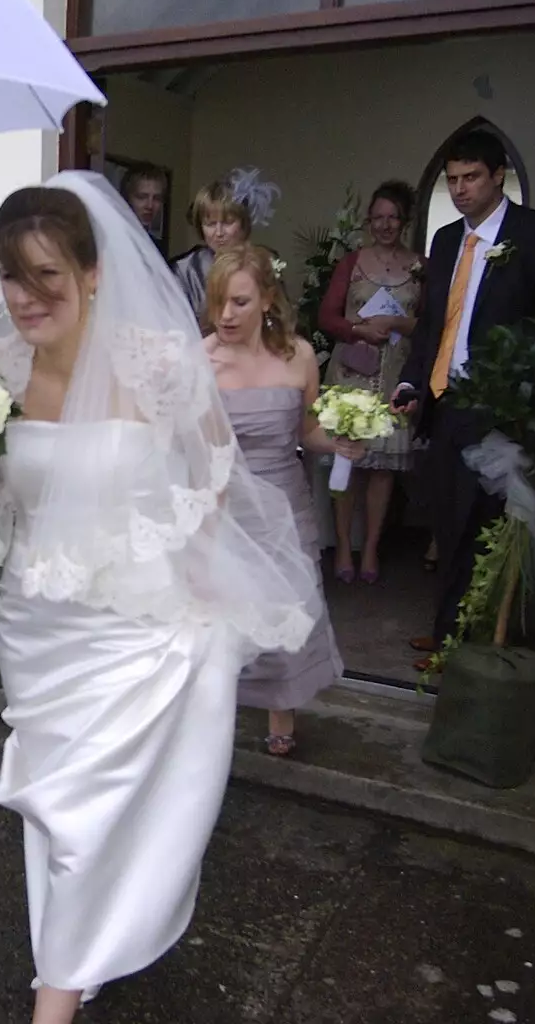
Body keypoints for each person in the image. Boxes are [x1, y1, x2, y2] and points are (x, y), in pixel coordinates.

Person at [0, 172, 321, 1023]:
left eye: (46, 278)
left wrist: (197, 568)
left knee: (93, 813)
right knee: (61, 814)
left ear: (94, 272)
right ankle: (73, 949)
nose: (26, 300)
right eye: (11, 279)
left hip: (138, 625)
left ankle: (55, 997)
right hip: (41, 626)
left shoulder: (159, 362)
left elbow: (214, 472)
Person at [394, 129, 535, 670]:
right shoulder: (446, 239)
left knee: (486, 528)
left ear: (497, 174)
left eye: (470, 178)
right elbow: (435, 324)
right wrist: (412, 383)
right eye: (452, 180)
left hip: (503, 408)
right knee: (448, 522)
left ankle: (463, 643)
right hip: (446, 401)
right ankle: (448, 633)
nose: (460, 190)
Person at [203, 245, 361, 755]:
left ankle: (281, 712)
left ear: (268, 300)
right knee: (221, 616)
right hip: (223, 506)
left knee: (288, 607)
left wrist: (338, 442)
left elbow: (307, 432)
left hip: (285, 501)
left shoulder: (300, 356)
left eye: (240, 302)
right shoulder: (197, 360)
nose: (226, 315)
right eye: (219, 302)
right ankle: (209, 720)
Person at [316, 180, 425, 584]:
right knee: (347, 459)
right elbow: (326, 317)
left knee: (382, 470)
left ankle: (372, 548)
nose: (385, 224)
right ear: (367, 222)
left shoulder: (420, 265)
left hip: (395, 378)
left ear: (404, 221)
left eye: (392, 217)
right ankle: (344, 544)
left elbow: (431, 324)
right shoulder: (352, 262)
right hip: (351, 375)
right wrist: (358, 330)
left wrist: (398, 322)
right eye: (377, 217)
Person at [171, 167, 280, 317]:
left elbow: (280, 318)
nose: (219, 233)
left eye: (228, 222)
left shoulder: (266, 262)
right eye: (210, 224)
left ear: (243, 223)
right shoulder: (185, 269)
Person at [119, 162, 168, 251]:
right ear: (126, 198)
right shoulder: (112, 239)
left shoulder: (157, 247)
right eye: (142, 197)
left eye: (156, 198)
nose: (150, 205)